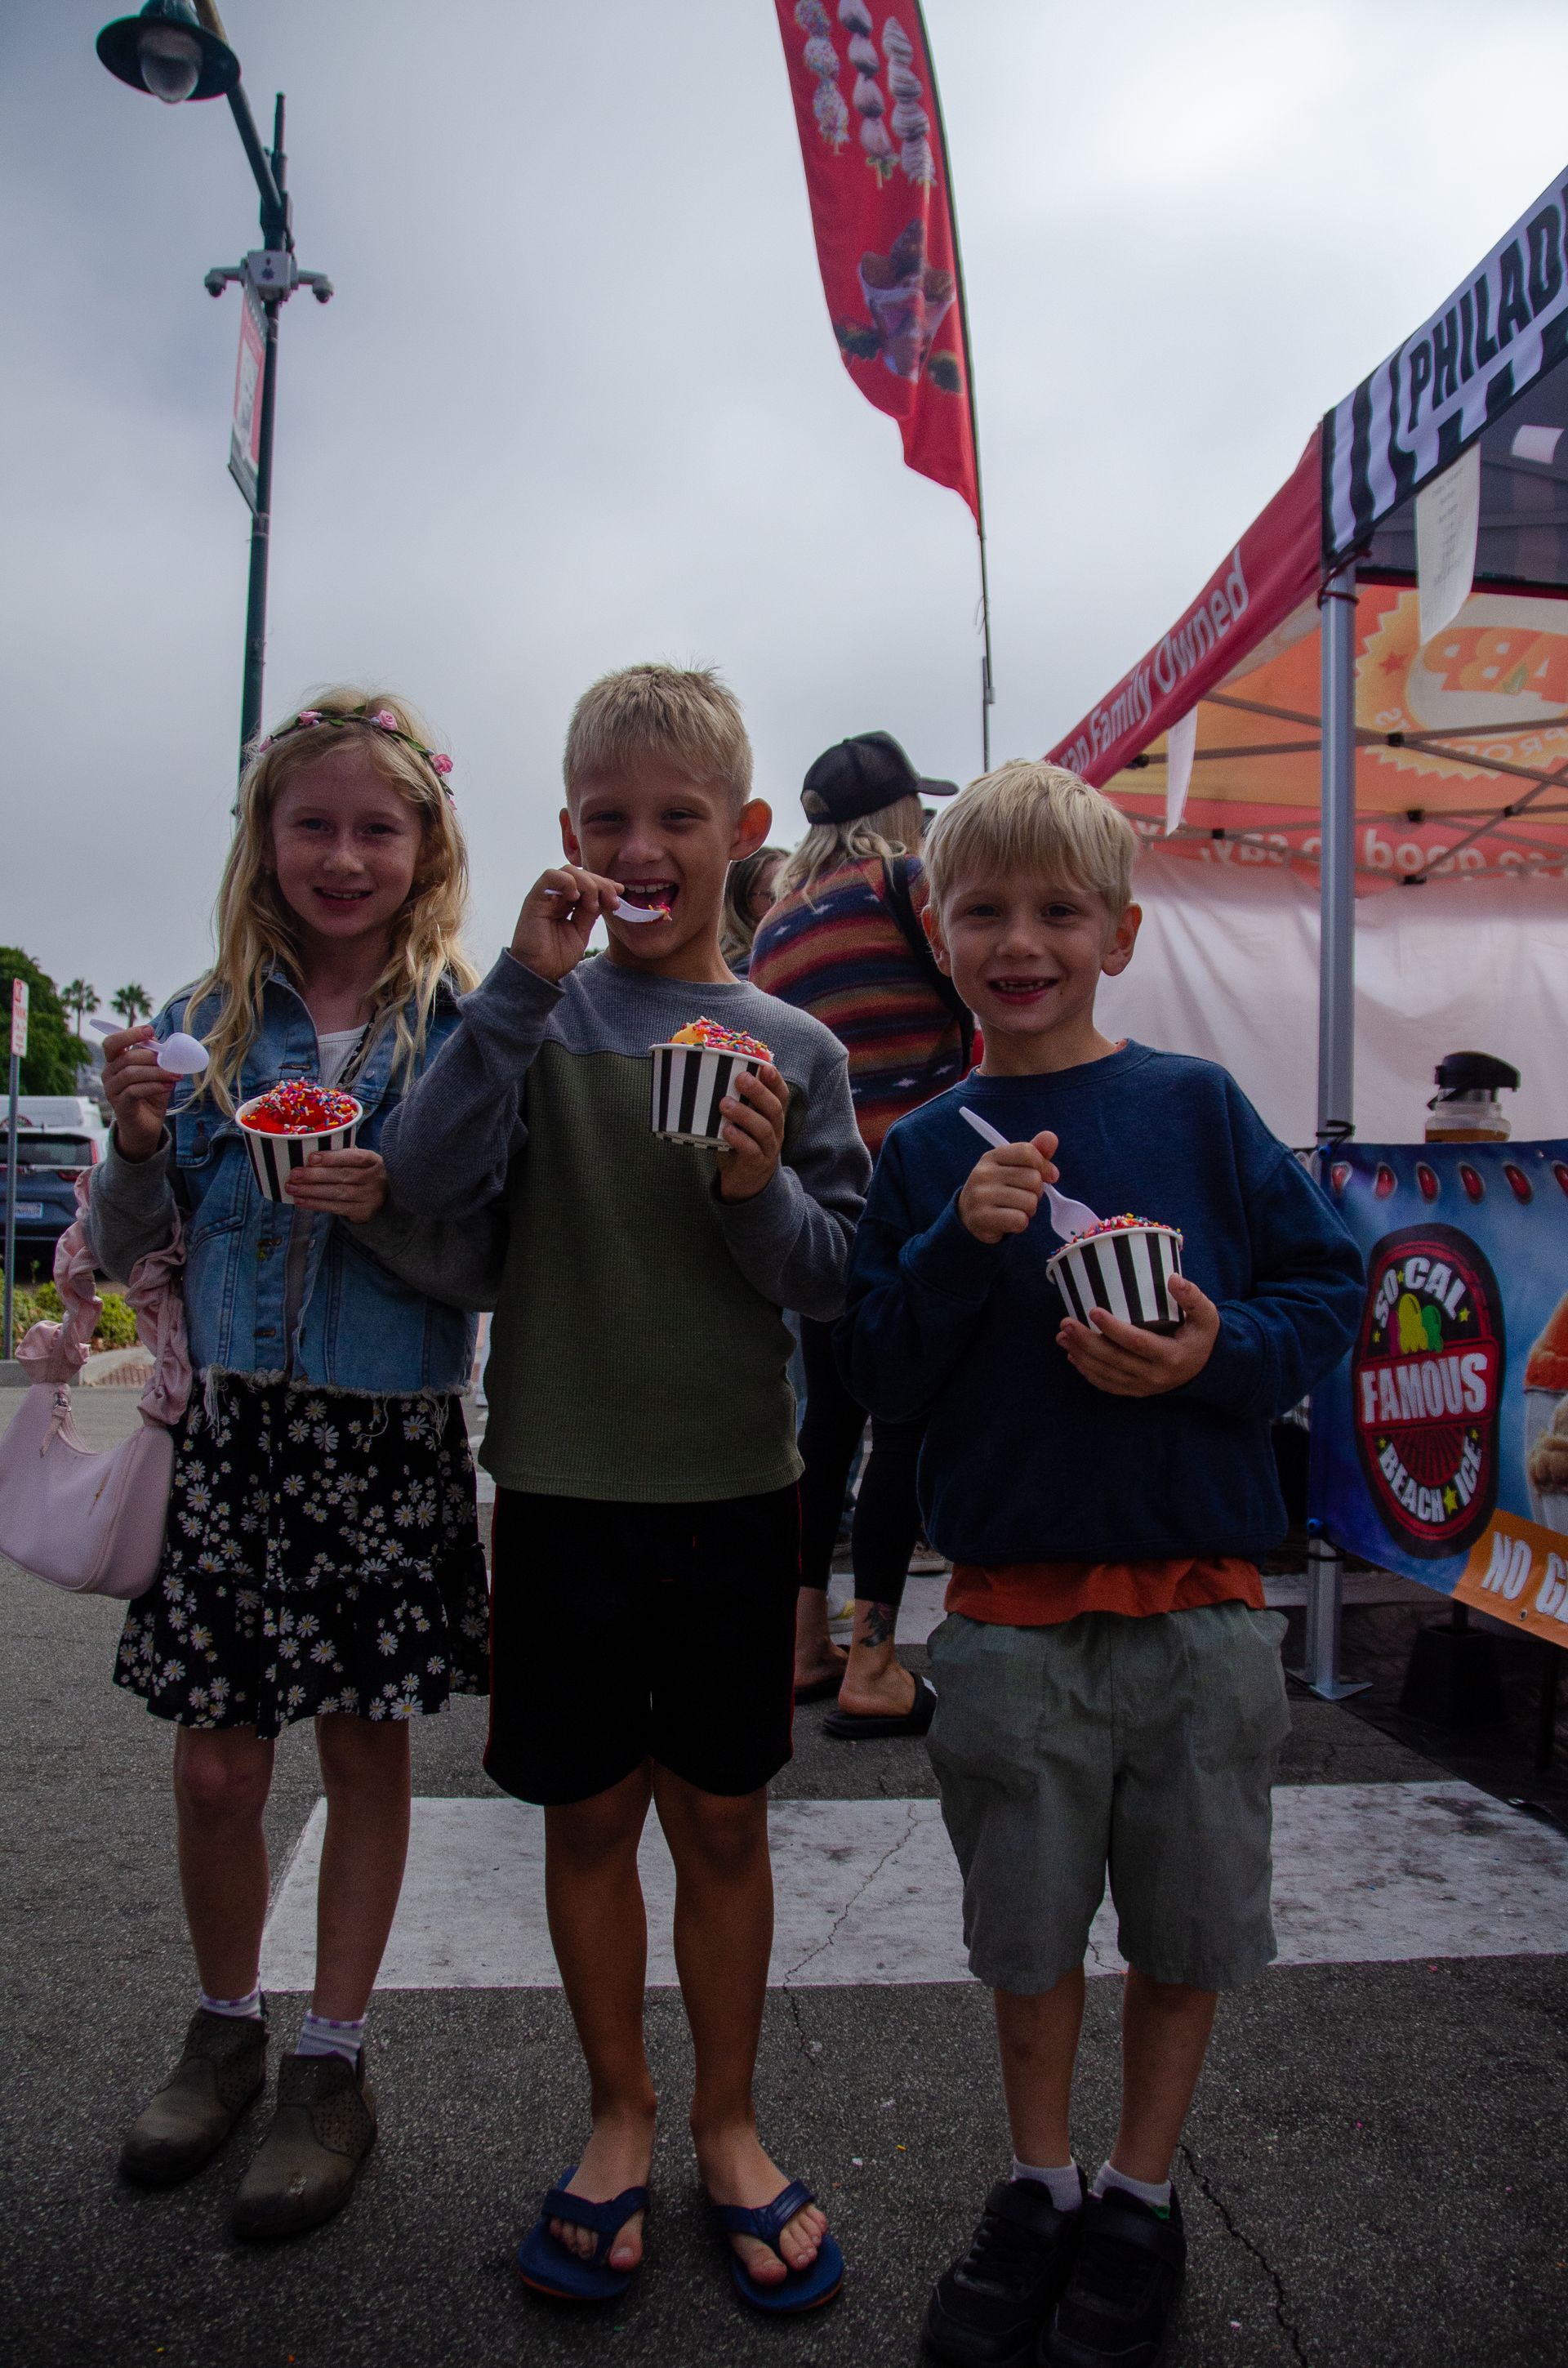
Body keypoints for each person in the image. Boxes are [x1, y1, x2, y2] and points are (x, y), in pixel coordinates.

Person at [837, 760, 1364, 2368]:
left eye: (1059, 910)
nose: (1021, 939)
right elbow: (877, 1375)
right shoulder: (930, 1150)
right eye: (984, 909)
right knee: (1029, 1935)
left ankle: (1139, 2193)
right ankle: (1041, 2183)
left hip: (1203, 1612)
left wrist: (1215, 1354)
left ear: (1119, 933)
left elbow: (1327, 1288)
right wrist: (954, 1246)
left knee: (1188, 1933)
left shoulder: (1197, 1108)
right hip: (1002, 1624)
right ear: (940, 932)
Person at [379, 662, 868, 2313]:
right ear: (568, 832)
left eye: (678, 817)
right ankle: (619, 2112)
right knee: (585, 1813)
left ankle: (727, 2124)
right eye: (609, 817)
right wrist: (518, 988)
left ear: (740, 834)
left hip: (735, 1484)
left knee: (722, 1819)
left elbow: (828, 1278)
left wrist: (748, 1185)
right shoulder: (526, 1014)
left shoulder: (795, 1044)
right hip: (564, 1486)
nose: (643, 845)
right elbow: (429, 1178)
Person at [87, 691, 498, 2240]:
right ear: (264, 841)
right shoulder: (203, 1018)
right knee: (213, 1762)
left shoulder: (456, 1036)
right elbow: (137, 1249)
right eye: (311, 823)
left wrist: (382, 1202)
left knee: (363, 1750)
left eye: (375, 827)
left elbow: (487, 1264)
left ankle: (333, 2057)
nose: (342, 854)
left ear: (425, 844)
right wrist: (132, 1146)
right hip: (238, 1430)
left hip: (383, 1426)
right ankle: (222, 2019)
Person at [751, 731, 968, 1737]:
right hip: (918, 1199)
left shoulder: (775, 928)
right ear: (898, 815)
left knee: (825, 1431)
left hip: (816, 1206)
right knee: (906, 1427)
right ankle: (875, 1659)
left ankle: (801, 1645)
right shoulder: (909, 885)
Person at [719, 841, 786, 975]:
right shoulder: (750, 970)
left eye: (796, 890)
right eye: (775, 895)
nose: (789, 901)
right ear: (740, 903)